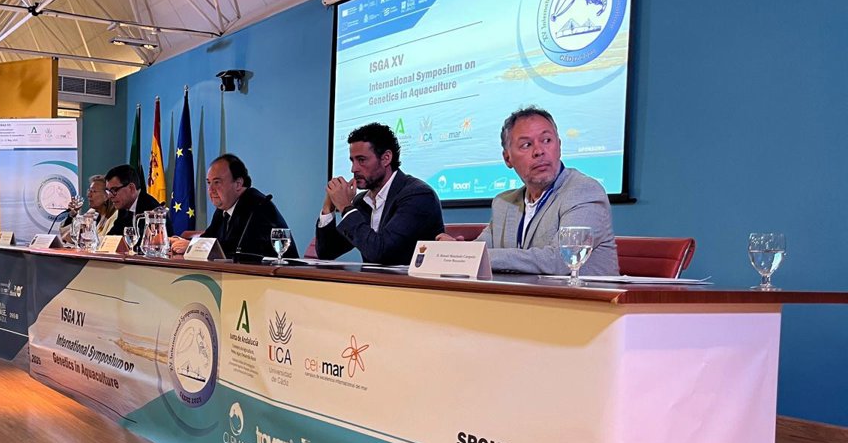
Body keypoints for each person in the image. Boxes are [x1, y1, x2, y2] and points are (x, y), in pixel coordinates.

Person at [461, 106, 618, 275]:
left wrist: (474, 256)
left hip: (578, 293)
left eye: (546, 140)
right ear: (507, 158)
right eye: (526, 145)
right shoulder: (504, 203)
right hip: (517, 292)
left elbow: (560, 260)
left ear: (559, 146)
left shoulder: (584, 191)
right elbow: (477, 250)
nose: (539, 151)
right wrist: (451, 251)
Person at [316, 122, 444, 265]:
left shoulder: (418, 195)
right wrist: (328, 208)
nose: (354, 169)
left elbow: (382, 253)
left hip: (410, 280)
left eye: (361, 160)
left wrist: (345, 207)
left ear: (386, 158)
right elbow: (327, 252)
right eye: (352, 161)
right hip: (373, 279)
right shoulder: (362, 201)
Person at [169, 154, 298, 259]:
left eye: (217, 182)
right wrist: (178, 241)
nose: (210, 189)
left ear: (238, 184)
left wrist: (191, 246)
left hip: (279, 279)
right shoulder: (223, 210)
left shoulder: (256, 206)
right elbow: (209, 239)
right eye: (209, 183)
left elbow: (241, 251)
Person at [104, 163, 165, 236]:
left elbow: (144, 240)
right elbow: (113, 235)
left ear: (131, 188)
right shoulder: (124, 207)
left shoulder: (150, 208)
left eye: (114, 190)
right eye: (108, 191)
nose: (109, 196)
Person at [61, 174, 118, 244]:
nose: (89, 195)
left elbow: (108, 242)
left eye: (94, 191)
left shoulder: (116, 216)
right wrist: (73, 214)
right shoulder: (92, 213)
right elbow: (65, 235)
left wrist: (83, 238)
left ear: (107, 196)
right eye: (89, 191)